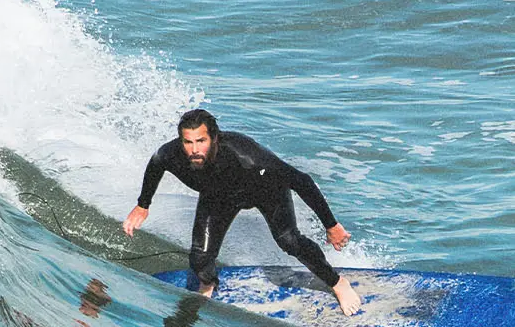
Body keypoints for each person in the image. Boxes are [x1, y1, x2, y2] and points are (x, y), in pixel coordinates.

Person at [123, 109, 363, 315]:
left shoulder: (248, 157)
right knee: (199, 258)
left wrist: (331, 225)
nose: (195, 149)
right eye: (188, 142)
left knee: (288, 241)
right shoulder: (172, 154)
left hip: (265, 190)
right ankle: (208, 285)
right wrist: (143, 205)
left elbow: (301, 181)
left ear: (214, 138)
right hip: (218, 196)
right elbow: (155, 165)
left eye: (201, 141)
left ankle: (338, 283)